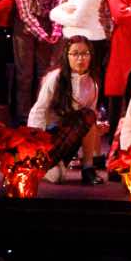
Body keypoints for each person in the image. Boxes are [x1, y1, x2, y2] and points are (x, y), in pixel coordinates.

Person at [28, 36, 108, 185]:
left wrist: (97, 127)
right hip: (50, 137)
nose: (80, 59)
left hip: (71, 138)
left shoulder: (92, 84)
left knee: (89, 116)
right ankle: (42, 164)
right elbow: (39, 110)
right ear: (67, 56)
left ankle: (88, 168)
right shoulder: (56, 78)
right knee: (57, 177)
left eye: (85, 54)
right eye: (75, 54)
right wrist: (35, 145)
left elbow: (89, 120)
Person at [11, 0, 63, 120]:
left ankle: (42, 114)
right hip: (26, 26)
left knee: (45, 72)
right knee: (25, 74)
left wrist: (54, 29)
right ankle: (24, 117)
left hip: (48, 21)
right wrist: (41, 33)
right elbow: (24, 12)